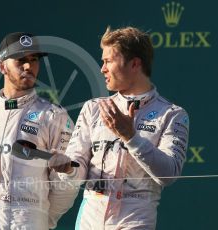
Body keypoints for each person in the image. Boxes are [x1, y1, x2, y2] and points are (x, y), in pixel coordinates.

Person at [49, 26, 190, 229]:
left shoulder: (172, 114)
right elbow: (77, 170)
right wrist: (68, 166)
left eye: (108, 61)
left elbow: (168, 174)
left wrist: (131, 137)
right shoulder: (94, 108)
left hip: (135, 220)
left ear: (134, 64)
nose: (102, 69)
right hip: (90, 219)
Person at [0, 32, 78, 230]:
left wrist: (41, 217)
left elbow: (66, 183)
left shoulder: (54, 115)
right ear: (2, 66)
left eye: (34, 60)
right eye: (21, 60)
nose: (29, 67)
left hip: (29, 222)